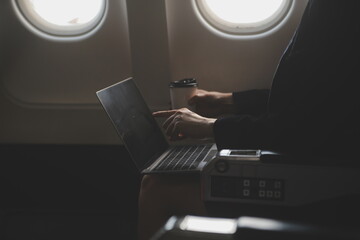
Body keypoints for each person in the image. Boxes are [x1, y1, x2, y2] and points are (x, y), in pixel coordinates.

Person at [137, 1, 360, 239]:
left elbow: (299, 131)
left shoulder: (342, 11)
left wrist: (210, 127)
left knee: (156, 189)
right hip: (314, 173)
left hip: (320, 190)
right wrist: (229, 101)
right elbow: (309, 102)